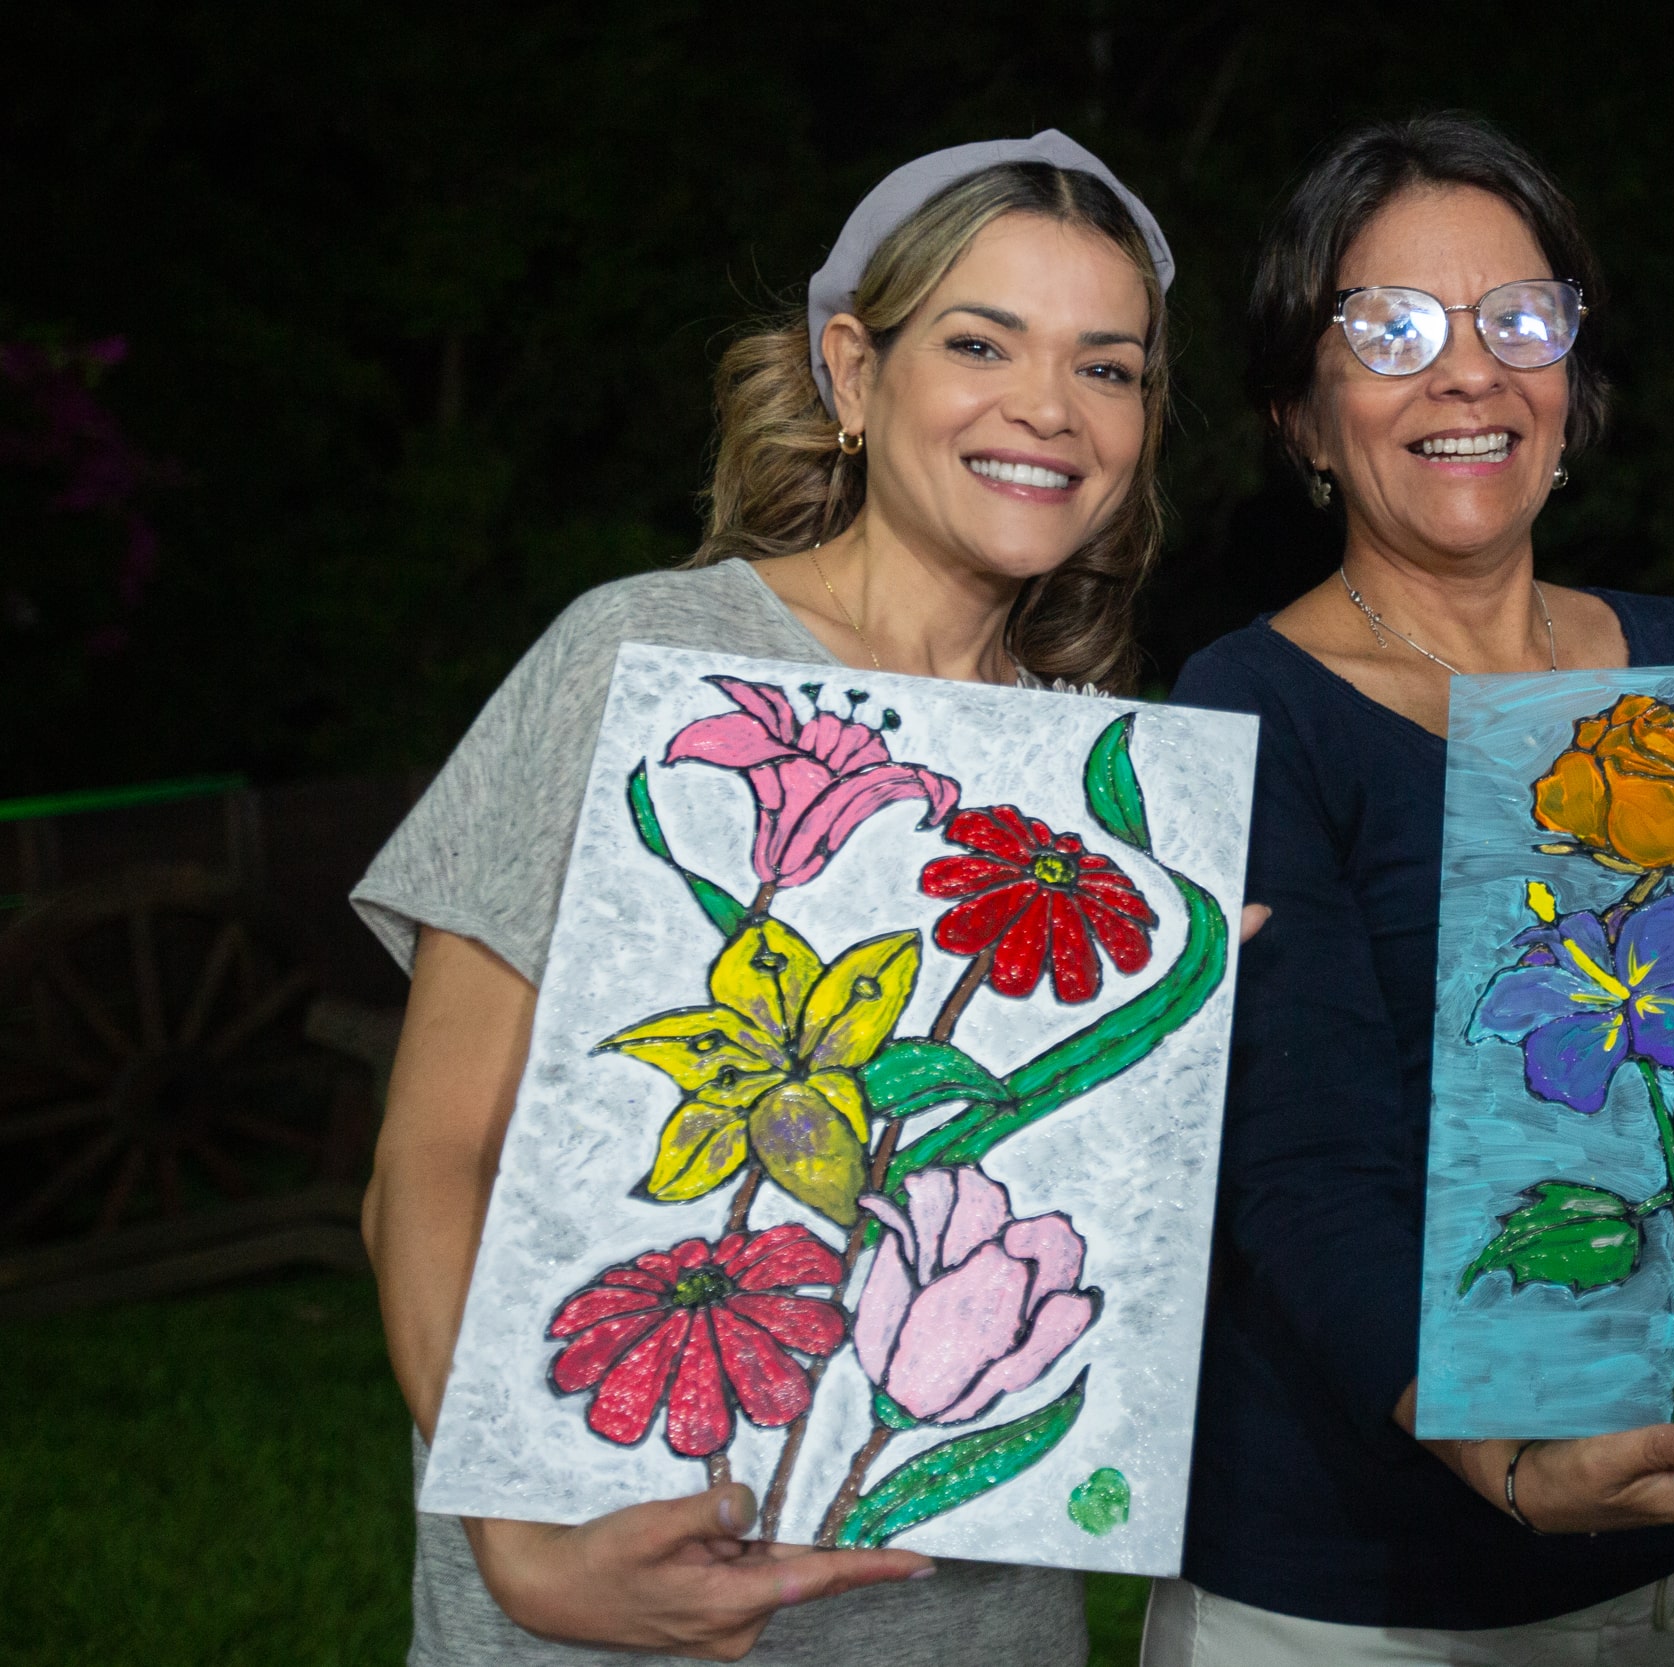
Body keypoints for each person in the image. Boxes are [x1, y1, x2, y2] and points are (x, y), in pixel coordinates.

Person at [352, 131, 1175, 1666]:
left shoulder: (1102, 787)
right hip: (599, 1611)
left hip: (969, 1627)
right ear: (853, 375)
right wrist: (524, 1545)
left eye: (1109, 369)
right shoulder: (638, 663)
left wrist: (1175, 1034)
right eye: (981, 342)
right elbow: (428, 1156)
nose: (1050, 409)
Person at [1147, 114, 1674, 1666]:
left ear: (1571, 385)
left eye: (1519, 321)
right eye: (1389, 329)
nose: (1467, 372)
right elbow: (1300, 1168)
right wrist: (1512, 1465)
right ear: (1302, 414)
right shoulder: (1242, 704)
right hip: (1353, 1598)